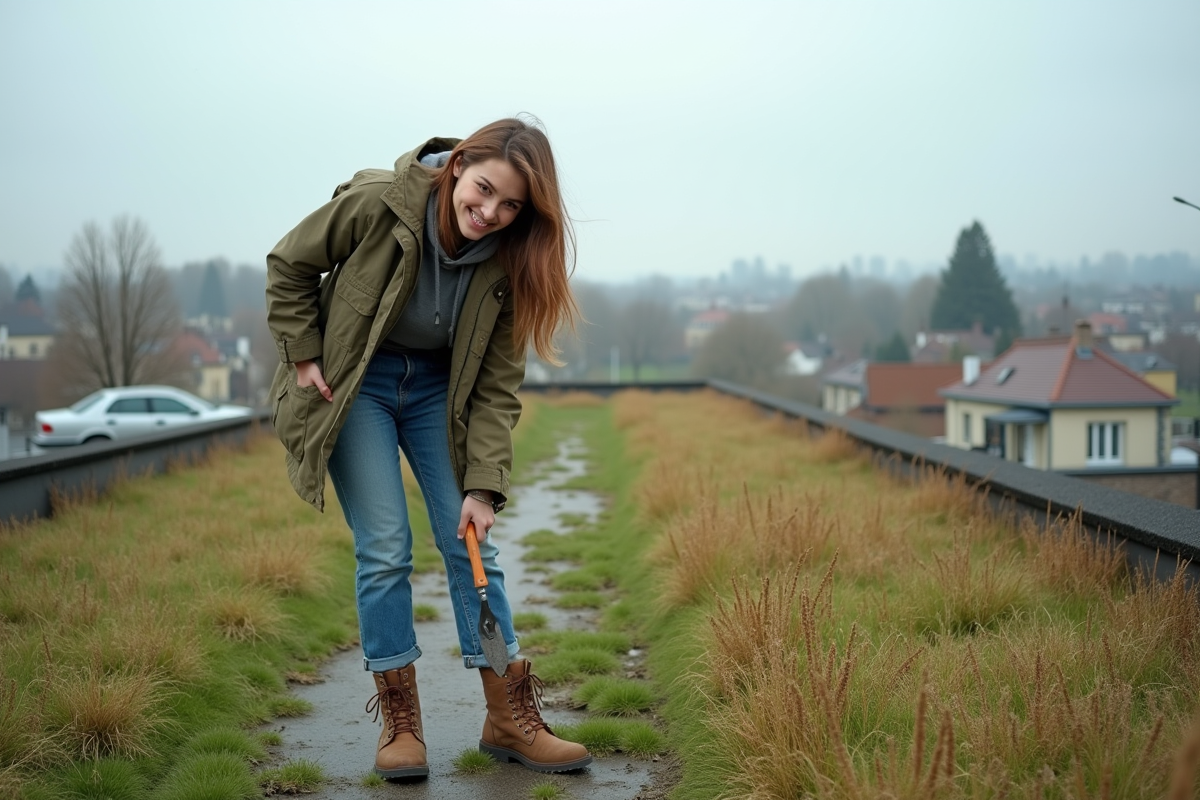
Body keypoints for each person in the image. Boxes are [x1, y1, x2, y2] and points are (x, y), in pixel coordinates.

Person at [264, 118, 589, 779]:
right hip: (359, 387)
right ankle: (400, 721)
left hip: (441, 398)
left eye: (510, 206)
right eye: (483, 189)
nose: (490, 212)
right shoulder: (379, 202)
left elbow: (498, 386)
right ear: (459, 164)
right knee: (386, 546)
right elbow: (289, 264)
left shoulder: (505, 262)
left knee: (471, 540)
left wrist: (483, 486)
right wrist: (302, 354)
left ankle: (508, 716)